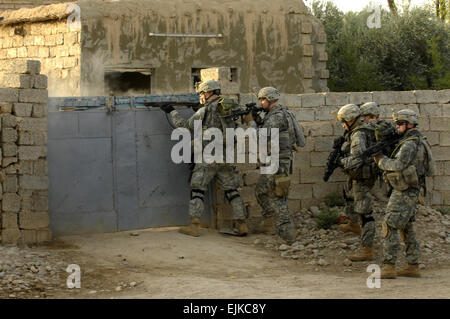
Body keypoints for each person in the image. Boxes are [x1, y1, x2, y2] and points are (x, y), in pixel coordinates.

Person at [160, 79, 248, 237]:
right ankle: (241, 225)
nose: (201, 96)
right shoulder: (228, 108)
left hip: (208, 156)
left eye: (202, 93)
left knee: (197, 190)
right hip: (225, 156)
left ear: (208, 92)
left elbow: (185, 126)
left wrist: (171, 111)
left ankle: (194, 226)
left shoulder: (205, 111)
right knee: (232, 191)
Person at [373, 109, 434, 279]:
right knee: (406, 226)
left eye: (400, 123)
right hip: (410, 190)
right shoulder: (415, 140)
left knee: (390, 225)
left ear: (410, 124)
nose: (397, 127)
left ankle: (389, 266)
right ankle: (412, 265)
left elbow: (399, 165)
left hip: (405, 191)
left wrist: (380, 160)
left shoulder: (409, 144)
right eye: (397, 123)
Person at [243, 87, 297, 244]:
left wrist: (251, 123)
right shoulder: (271, 116)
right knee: (261, 191)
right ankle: (269, 224)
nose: (261, 102)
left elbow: (260, 136)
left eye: (263, 99)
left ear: (271, 99)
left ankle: (287, 236)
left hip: (279, 162)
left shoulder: (277, 116)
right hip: (272, 161)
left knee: (279, 198)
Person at [336, 104, 378, 261]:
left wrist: (341, 161)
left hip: (362, 176)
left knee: (365, 213)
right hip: (360, 175)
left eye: (344, 121)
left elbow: (357, 159)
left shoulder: (358, 135)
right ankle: (353, 225)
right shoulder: (361, 130)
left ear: (352, 120)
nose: (343, 125)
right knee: (354, 202)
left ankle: (367, 249)